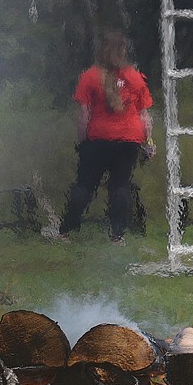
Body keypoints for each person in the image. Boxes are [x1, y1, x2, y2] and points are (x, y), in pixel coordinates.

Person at [58, 31, 154, 244]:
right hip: (129, 140)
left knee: (84, 185)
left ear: (100, 50)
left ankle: (66, 230)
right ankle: (116, 235)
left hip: (98, 139)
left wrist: (83, 141)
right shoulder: (135, 77)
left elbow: (84, 114)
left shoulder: (89, 77)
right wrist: (148, 142)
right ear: (123, 51)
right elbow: (144, 116)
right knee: (119, 186)